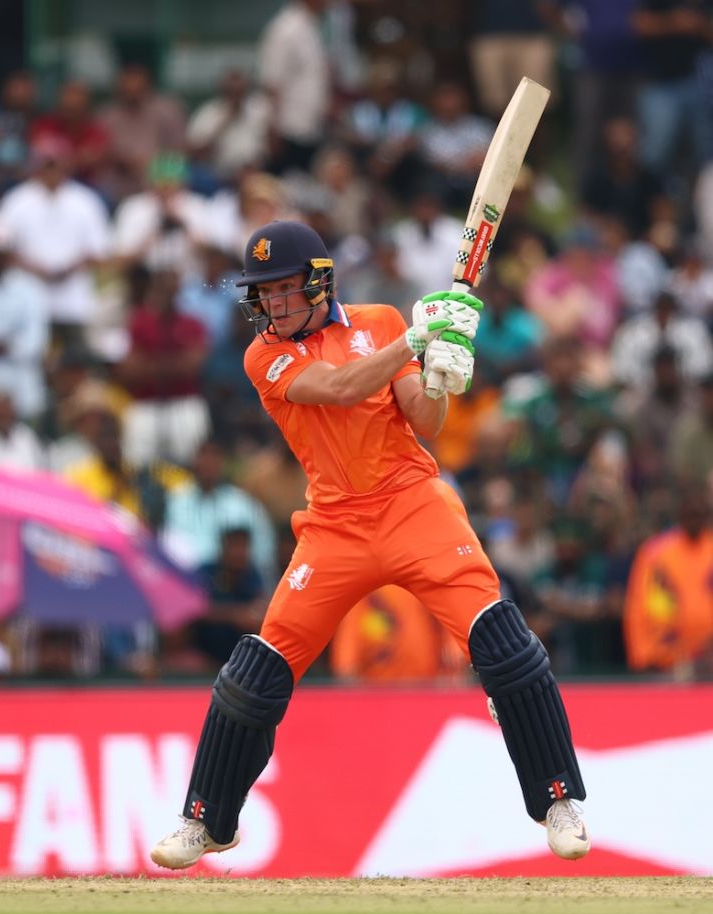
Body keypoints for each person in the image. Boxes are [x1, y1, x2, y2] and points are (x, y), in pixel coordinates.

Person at [149, 221, 590, 870]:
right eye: (263, 293)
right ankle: (206, 823)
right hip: (335, 526)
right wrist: (417, 338)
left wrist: (440, 371)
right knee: (256, 674)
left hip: (414, 505)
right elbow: (340, 388)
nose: (272, 304)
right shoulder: (263, 355)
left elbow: (426, 420)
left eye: (284, 289)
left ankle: (559, 801)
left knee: (503, 646)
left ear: (319, 282)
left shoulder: (380, 321)